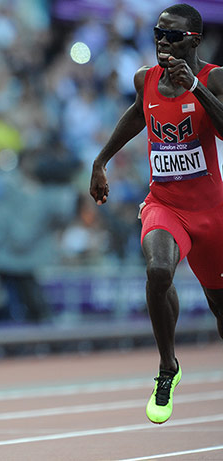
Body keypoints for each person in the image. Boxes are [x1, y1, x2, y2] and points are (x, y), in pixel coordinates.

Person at [90, 3, 223, 425]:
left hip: (212, 213)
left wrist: (196, 90)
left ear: (194, 40)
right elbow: (137, 115)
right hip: (164, 205)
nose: (162, 43)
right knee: (158, 270)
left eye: (172, 36)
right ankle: (168, 367)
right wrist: (101, 161)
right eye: (158, 34)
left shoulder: (215, 79)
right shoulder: (144, 79)